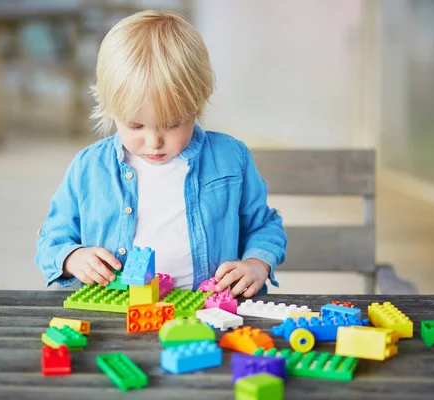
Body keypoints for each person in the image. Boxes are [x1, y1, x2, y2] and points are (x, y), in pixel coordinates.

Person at [35, 9, 286, 297]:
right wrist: (72, 258)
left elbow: (264, 225)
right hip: (121, 314)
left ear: (197, 104)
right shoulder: (88, 168)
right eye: (136, 125)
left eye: (172, 124)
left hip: (208, 312)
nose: (154, 141)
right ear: (110, 108)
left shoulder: (230, 158)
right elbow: (51, 241)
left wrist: (256, 263)